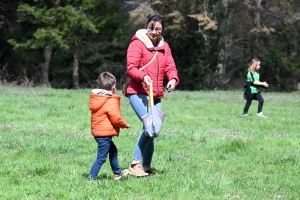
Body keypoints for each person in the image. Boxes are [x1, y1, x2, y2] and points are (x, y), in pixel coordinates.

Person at [125, 15, 179, 176]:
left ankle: (146, 167)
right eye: (151, 28)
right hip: (138, 92)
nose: (154, 32)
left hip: (155, 94)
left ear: (162, 30)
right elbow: (131, 68)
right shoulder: (137, 44)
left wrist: (173, 79)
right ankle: (135, 164)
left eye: (158, 29)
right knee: (151, 126)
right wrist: (143, 77)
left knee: (153, 130)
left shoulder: (165, 46)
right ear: (146, 26)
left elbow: (170, 67)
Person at [88, 72, 131, 181]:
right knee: (101, 158)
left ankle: (117, 173)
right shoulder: (110, 100)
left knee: (113, 151)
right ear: (113, 87)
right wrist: (125, 124)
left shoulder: (98, 98)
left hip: (99, 132)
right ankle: (91, 179)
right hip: (104, 134)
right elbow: (116, 118)